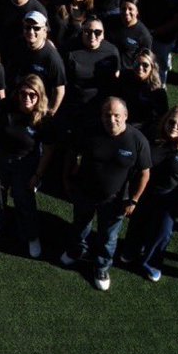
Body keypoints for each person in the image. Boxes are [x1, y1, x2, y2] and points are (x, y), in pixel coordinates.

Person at [61, 97, 151, 292]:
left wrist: (134, 200)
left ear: (125, 116)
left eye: (116, 116)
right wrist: (67, 179)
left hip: (115, 201)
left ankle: (101, 267)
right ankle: (77, 251)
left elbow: (145, 173)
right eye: (107, 115)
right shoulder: (89, 131)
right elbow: (72, 153)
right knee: (80, 225)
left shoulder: (137, 141)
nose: (112, 120)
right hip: (85, 193)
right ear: (101, 116)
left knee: (108, 237)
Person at [121, 107, 178, 282]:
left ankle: (151, 262)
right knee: (138, 222)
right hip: (146, 190)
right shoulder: (152, 136)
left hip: (169, 196)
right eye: (172, 122)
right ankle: (131, 250)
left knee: (163, 231)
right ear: (165, 120)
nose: (175, 126)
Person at [0, 75, 55, 258]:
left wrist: (37, 174)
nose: (27, 98)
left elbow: (48, 151)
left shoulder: (44, 118)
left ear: (39, 96)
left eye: (32, 95)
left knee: (23, 200)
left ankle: (31, 236)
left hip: (26, 164)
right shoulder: (5, 107)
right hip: (2, 159)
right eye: (23, 93)